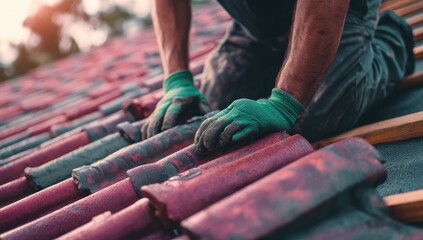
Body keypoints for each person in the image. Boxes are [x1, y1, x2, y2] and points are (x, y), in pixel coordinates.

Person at [142, 0, 415, 153]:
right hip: (261, 23)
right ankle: (286, 46)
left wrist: (287, 100)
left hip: (340, 9)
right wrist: (176, 80)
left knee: (316, 115)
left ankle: (392, 38)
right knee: (217, 106)